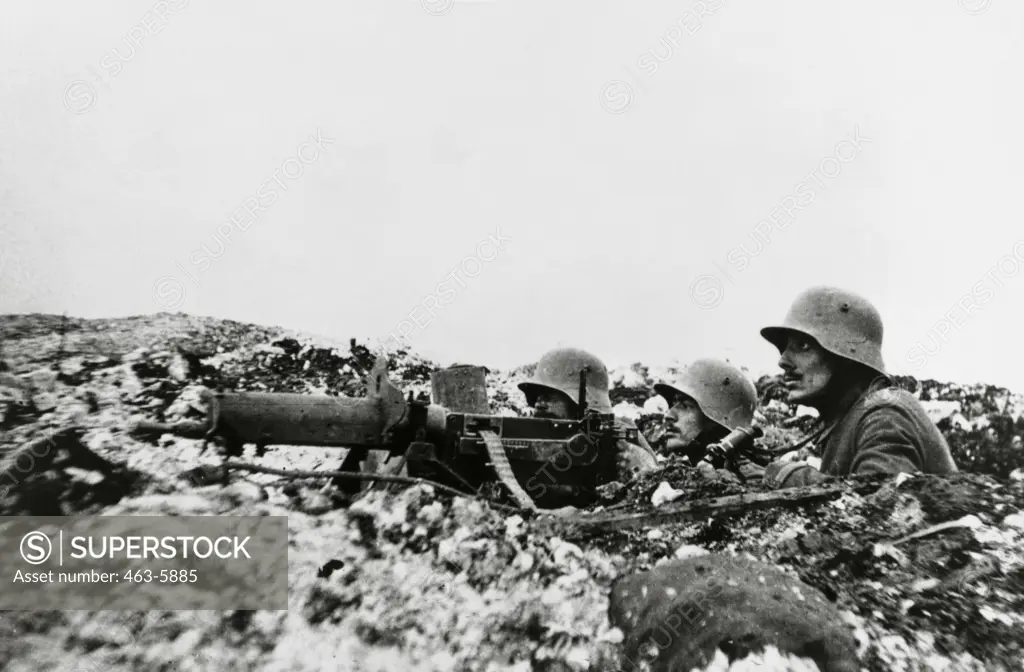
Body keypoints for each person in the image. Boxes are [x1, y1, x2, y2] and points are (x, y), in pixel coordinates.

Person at [759, 286, 958, 488]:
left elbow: (879, 503)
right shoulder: (849, 416)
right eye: (785, 347)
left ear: (846, 356)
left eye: (803, 346)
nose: (783, 361)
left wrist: (787, 475)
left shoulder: (884, 413)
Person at [518, 347, 660, 481]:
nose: (538, 404)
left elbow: (658, 480)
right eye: (537, 397)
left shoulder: (614, 435)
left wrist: (643, 468)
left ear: (582, 404)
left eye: (549, 397)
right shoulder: (526, 436)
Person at [652, 358, 758, 465]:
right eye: (674, 403)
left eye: (685, 406)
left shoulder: (747, 478)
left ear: (715, 421)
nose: (669, 415)